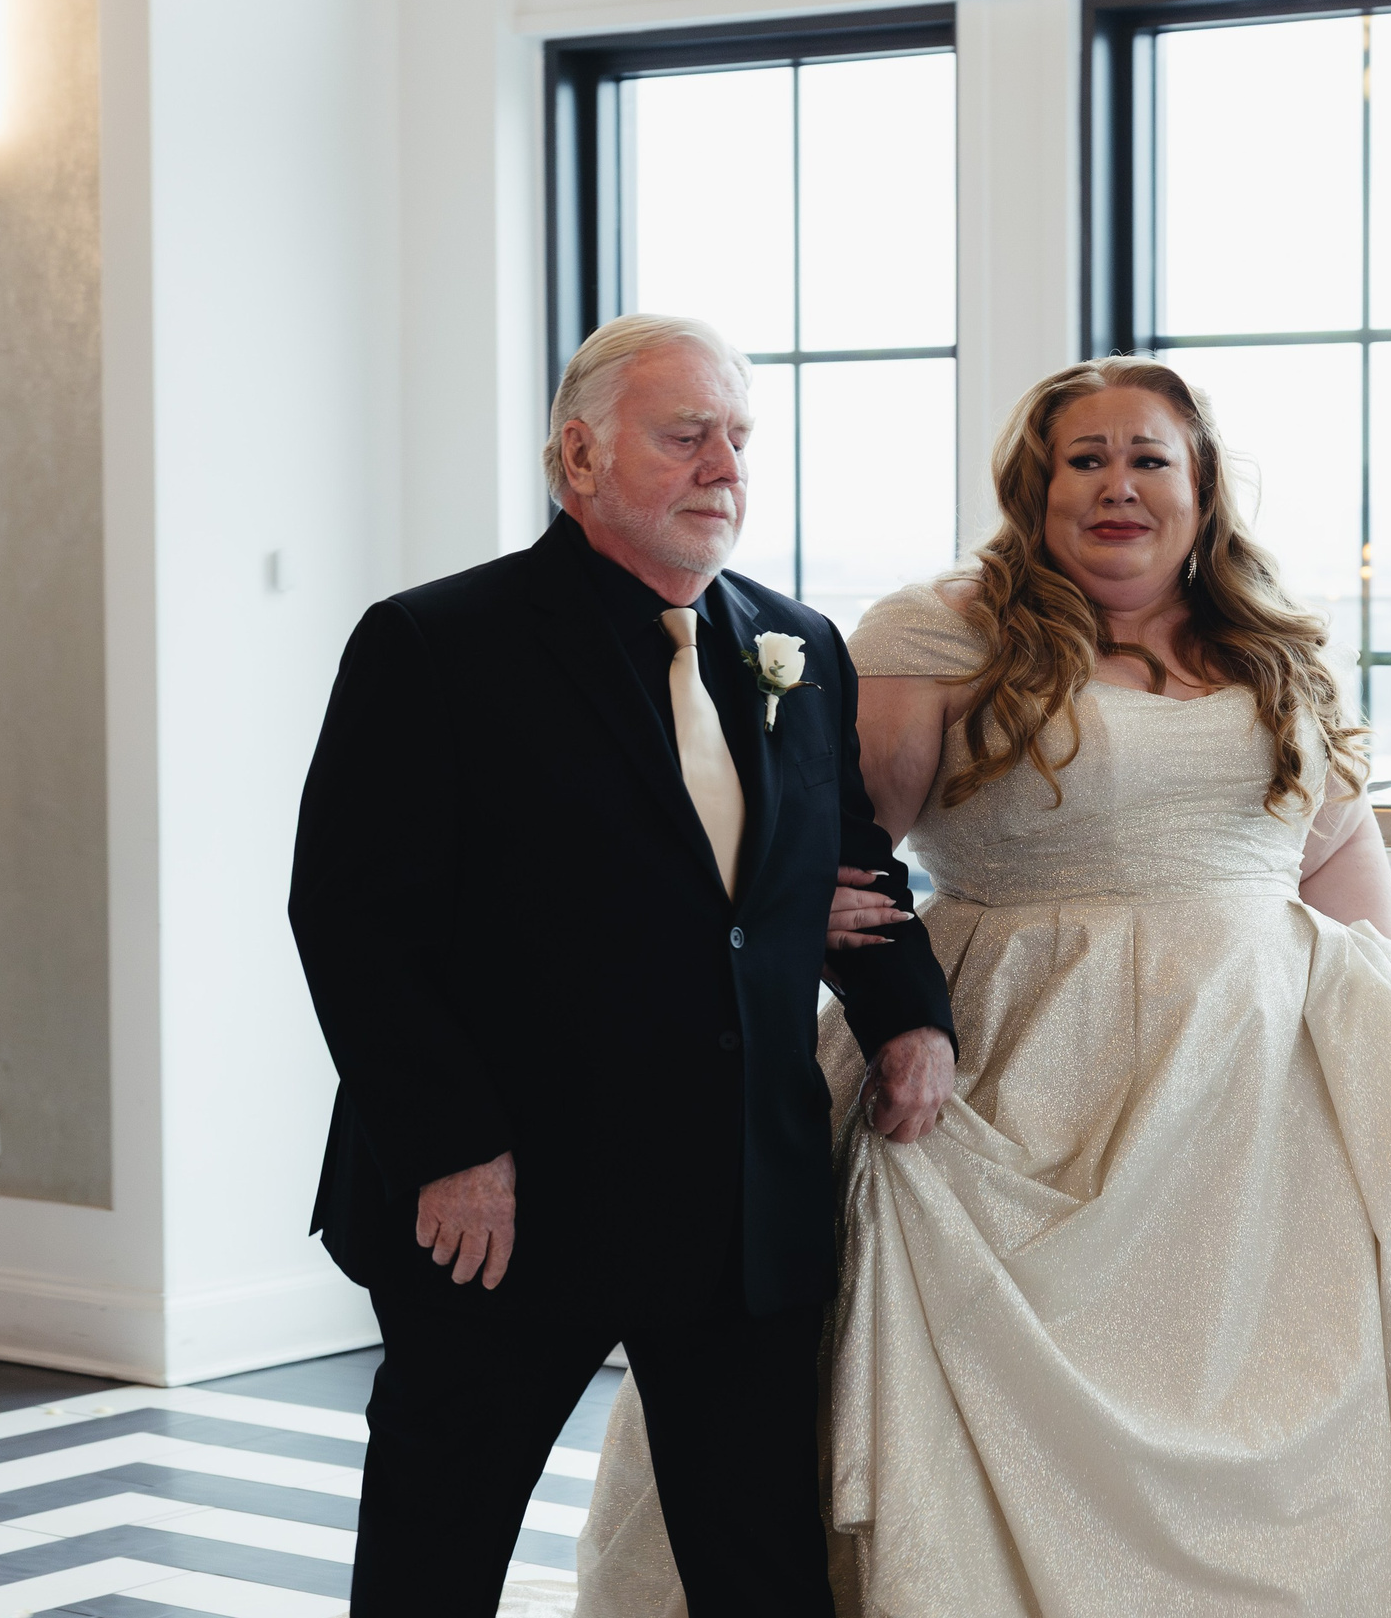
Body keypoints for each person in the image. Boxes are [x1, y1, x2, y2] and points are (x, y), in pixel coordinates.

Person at [575, 356, 1391, 1616]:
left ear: (1200, 484)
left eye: (1147, 457)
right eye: (1082, 460)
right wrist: (800, 916)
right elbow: (840, 839)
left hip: (1272, 1099)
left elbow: (1335, 847)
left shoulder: (1270, 643)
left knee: (1330, 1418)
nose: (1116, 486)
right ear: (1032, 489)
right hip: (1019, 1074)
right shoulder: (942, 629)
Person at [288, 313, 957, 1617]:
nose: (725, 465)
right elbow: (352, 916)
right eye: (686, 433)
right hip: (505, 1203)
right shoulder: (435, 644)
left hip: (739, 1203)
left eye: (740, 439)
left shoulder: (800, 649)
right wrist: (449, 1146)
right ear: (578, 458)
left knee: (762, 1563)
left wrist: (907, 1020)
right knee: (438, 1549)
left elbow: (847, 873)